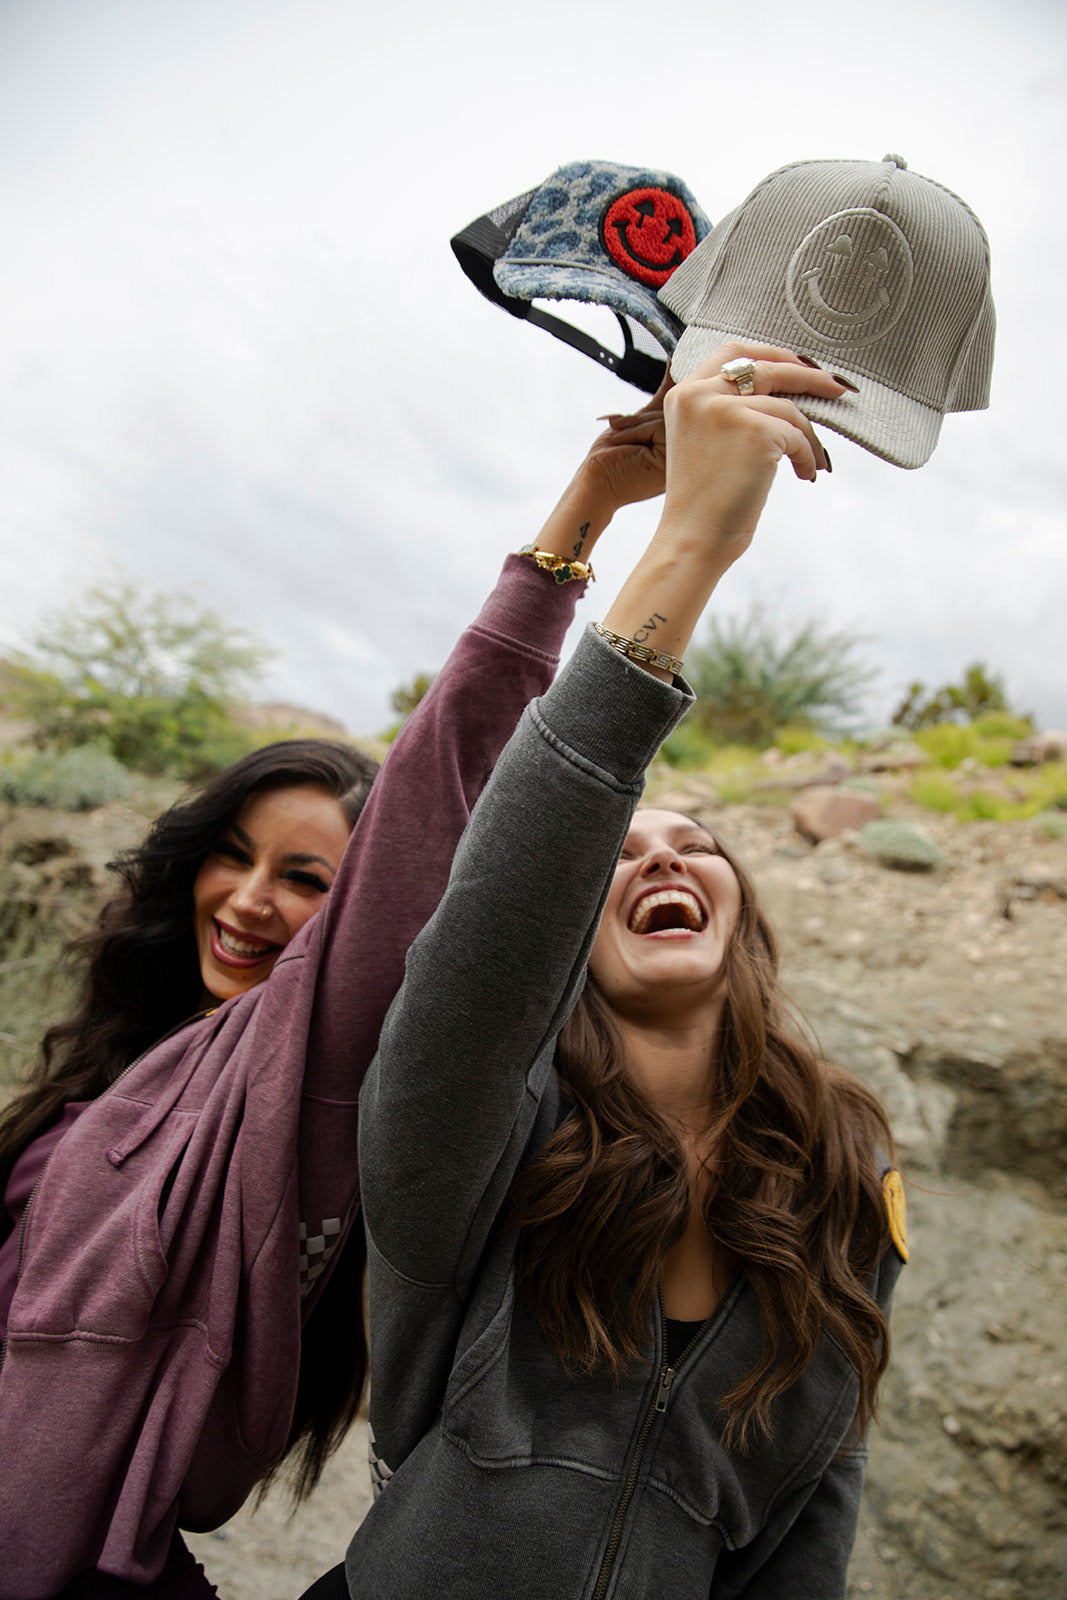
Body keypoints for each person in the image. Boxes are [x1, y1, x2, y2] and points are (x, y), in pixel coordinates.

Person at [0, 370, 686, 1598]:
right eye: (231, 854)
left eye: (307, 880)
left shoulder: (302, 1094)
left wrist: (586, 515)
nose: (251, 900)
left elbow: (447, 779)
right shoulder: (124, 1071)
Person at [304, 346, 903, 1599]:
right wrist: (684, 545)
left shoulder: (843, 1163)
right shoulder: (478, 1117)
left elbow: (817, 1497)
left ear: (739, 910)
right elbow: (493, 934)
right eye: (616, 853)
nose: (660, 858)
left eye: (694, 845)